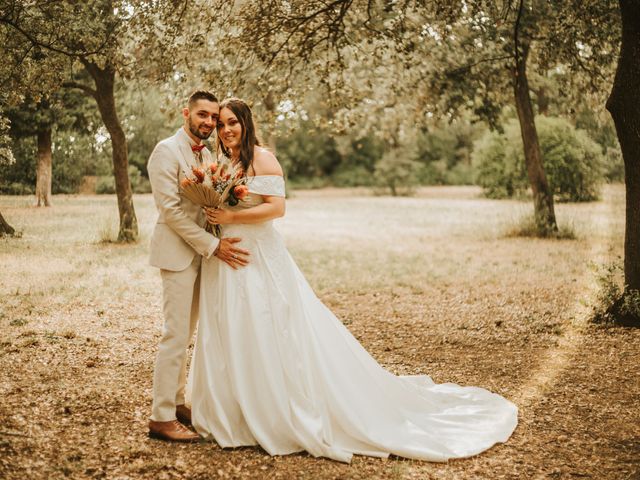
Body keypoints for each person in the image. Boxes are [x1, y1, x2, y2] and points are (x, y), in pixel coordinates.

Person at [186, 97, 518, 462]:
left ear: (246, 124)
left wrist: (230, 215)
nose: (226, 129)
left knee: (271, 326)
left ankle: (274, 410)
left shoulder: (262, 158)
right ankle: (232, 410)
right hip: (225, 256)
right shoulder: (221, 163)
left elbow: (276, 208)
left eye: (232, 122)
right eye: (221, 125)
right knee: (232, 326)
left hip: (258, 256)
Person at [146, 91, 250, 442]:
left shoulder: (207, 154)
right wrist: (213, 245)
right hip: (177, 255)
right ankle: (160, 418)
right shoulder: (165, 151)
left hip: (201, 258)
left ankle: (176, 403)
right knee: (174, 335)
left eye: (214, 118)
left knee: (187, 334)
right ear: (186, 113)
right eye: (202, 115)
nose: (209, 123)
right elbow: (171, 211)